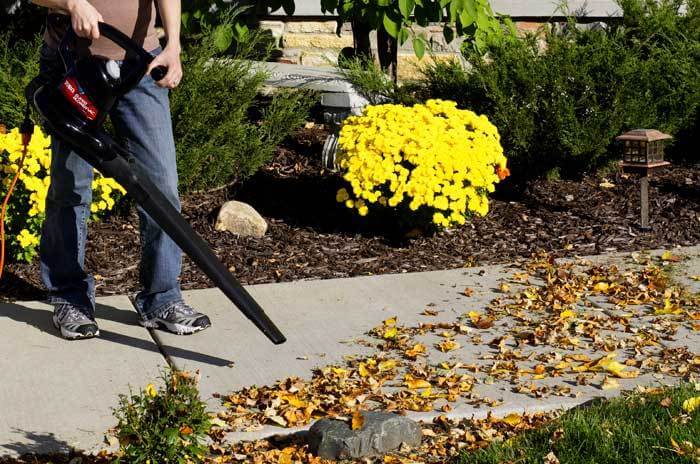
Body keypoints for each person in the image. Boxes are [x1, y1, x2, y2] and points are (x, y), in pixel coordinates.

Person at [31, 0, 212, 339]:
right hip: (72, 63)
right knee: (70, 186)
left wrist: (173, 44)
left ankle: (162, 299)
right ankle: (70, 298)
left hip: (140, 64)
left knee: (161, 185)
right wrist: (72, 4)